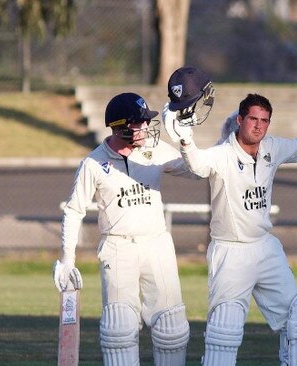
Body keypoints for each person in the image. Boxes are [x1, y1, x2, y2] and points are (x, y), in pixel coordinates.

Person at [165, 90, 297, 365]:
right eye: (253, 119)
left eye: (264, 121)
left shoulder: (272, 148)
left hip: (265, 248)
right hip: (231, 253)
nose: (258, 126)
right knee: (225, 331)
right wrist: (185, 138)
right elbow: (195, 165)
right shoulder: (221, 155)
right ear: (240, 120)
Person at [53, 91, 201, 365]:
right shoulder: (94, 163)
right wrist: (67, 259)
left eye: (146, 121)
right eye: (139, 122)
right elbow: (74, 210)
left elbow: (196, 170)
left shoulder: (156, 150)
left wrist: (186, 139)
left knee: (172, 328)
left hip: (156, 244)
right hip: (117, 247)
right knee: (119, 330)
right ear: (120, 126)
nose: (145, 127)